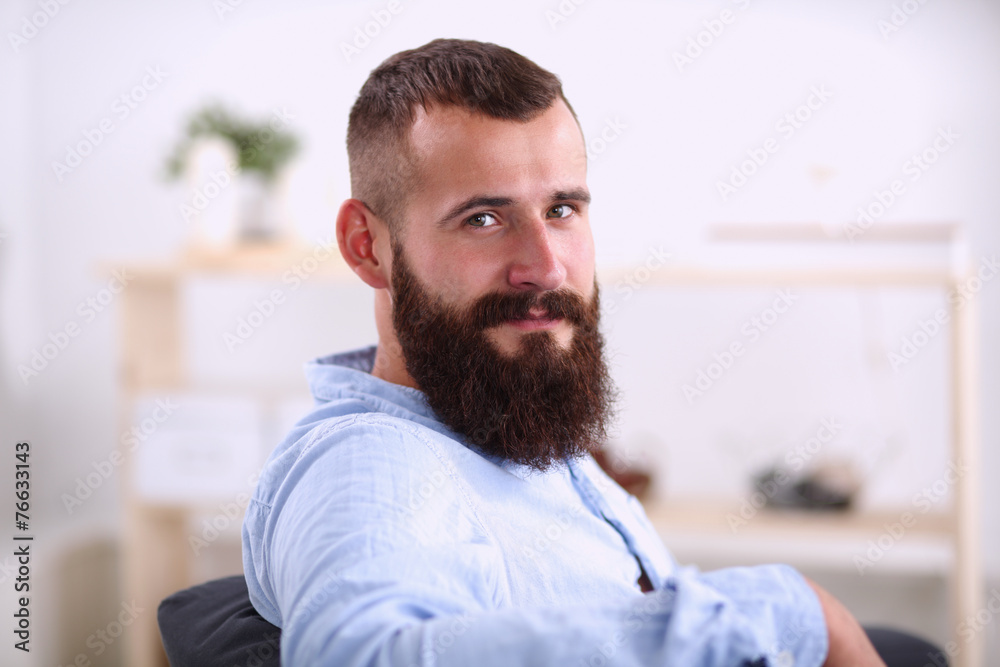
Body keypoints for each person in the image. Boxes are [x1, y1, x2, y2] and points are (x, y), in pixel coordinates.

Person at [241, 38, 897, 666]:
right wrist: (789, 610)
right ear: (366, 245)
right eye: (483, 219)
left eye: (561, 210)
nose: (546, 268)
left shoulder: (501, 426)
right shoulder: (373, 465)